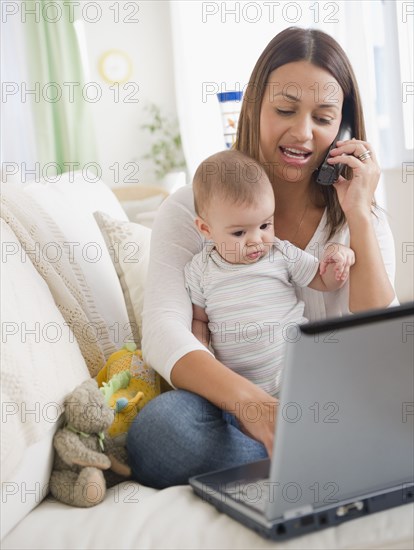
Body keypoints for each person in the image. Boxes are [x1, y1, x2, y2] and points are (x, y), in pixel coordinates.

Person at [127, 27, 397, 489]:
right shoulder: (193, 205)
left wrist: (358, 217)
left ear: (344, 129)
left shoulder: (362, 218)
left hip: (330, 403)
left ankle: (305, 448)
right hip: (233, 405)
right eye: (285, 110)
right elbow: (164, 330)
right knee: (161, 433)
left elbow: (380, 344)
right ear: (254, 106)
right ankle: (310, 452)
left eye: (324, 117)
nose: (302, 132)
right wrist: (254, 407)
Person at [185, 149, 355, 398]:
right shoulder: (201, 268)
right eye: (239, 233)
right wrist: (202, 355)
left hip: (299, 372)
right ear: (205, 228)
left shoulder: (280, 252)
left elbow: (323, 280)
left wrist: (338, 259)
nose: (256, 240)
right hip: (241, 391)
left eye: (265, 225)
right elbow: (200, 320)